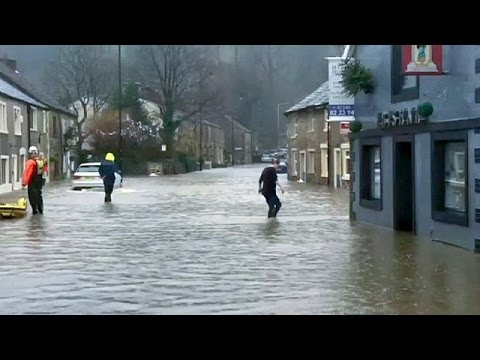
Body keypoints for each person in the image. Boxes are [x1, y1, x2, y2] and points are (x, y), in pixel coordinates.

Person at [22, 146, 47, 215]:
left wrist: (24, 183)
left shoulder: (30, 162)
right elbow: (45, 170)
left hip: (32, 182)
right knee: (39, 195)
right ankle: (40, 209)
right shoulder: (41, 161)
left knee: (32, 196)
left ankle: (35, 210)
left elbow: (27, 172)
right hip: (39, 181)